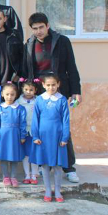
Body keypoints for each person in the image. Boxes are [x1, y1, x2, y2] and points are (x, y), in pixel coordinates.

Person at [23, 12, 81, 183]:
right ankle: (43, 165)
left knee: (62, 129)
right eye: (35, 28)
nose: (39, 31)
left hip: (59, 90)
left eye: (41, 27)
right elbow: (28, 70)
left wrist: (76, 91)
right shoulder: (30, 44)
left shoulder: (62, 41)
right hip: (40, 93)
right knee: (41, 129)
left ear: (47, 26)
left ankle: (69, 167)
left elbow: (72, 66)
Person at [30, 74, 70, 203]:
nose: (51, 87)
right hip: (43, 137)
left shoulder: (62, 100)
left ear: (58, 84)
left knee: (58, 166)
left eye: (54, 85)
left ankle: (57, 191)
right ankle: (48, 190)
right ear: (43, 85)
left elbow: (65, 120)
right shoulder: (40, 100)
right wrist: (35, 135)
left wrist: (65, 137)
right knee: (45, 165)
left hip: (58, 138)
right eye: (48, 85)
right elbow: (35, 119)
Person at [0, 83, 27, 188]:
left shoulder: (20, 108)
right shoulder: (0, 108)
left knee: (14, 157)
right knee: (3, 157)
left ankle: (13, 177)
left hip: (15, 135)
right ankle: (5, 177)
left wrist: (22, 136)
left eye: (12, 94)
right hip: (3, 136)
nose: (9, 97)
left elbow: (23, 123)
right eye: (7, 94)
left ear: (16, 95)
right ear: (2, 94)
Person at [18, 79, 40, 185]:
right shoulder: (18, 102)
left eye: (31, 90)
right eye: (26, 89)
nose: (28, 92)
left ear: (35, 90)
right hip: (24, 132)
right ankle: (27, 174)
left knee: (34, 153)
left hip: (35, 131)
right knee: (26, 154)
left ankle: (34, 174)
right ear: (22, 89)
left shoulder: (39, 101)